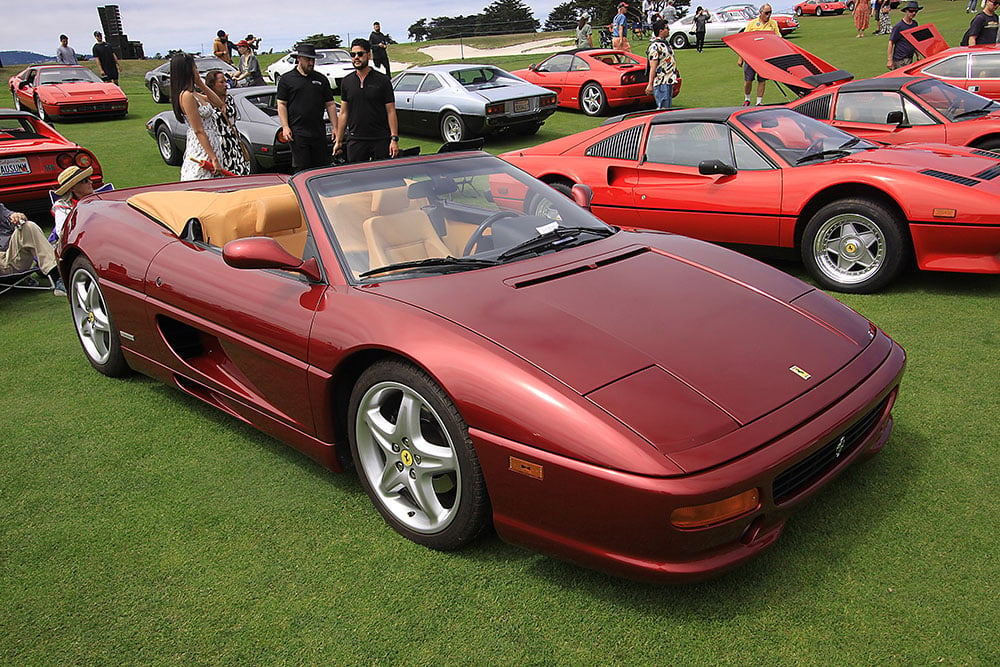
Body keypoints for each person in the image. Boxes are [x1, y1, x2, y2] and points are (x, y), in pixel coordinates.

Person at [334, 38, 399, 163]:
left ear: (368, 55)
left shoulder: (382, 80)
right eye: (353, 55)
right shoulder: (347, 82)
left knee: (383, 178)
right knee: (357, 180)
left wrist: (394, 139)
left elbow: (391, 111)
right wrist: (339, 140)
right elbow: (343, 113)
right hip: (356, 139)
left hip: (380, 138)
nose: (356, 57)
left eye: (360, 54)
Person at [277, 43, 338, 171]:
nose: (311, 63)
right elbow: (282, 104)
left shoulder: (321, 79)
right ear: (299, 58)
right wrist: (285, 126)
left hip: (318, 132)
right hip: (297, 132)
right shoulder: (287, 79)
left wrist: (335, 127)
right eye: (308, 59)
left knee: (321, 167)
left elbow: (330, 104)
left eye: (313, 59)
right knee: (302, 167)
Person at [170, 53, 225, 180]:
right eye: (194, 67)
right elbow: (198, 130)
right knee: (201, 178)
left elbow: (218, 102)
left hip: (212, 141)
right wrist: (213, 157)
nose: (197, 70)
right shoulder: (186, 96)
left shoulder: (195, 94)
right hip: (202, 147)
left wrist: (201, 83)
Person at [1, 203, 65, 296]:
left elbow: (9, 217)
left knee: (28, 226)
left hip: (10, 257)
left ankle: (58, 278)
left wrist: (17, 217)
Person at [204, 70, 252, 175]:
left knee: (240, 172)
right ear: (212, 85)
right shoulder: (206, 102)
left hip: (233, 141)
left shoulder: (229, 99)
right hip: (218, 143)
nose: (226, 85)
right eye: (221, 82)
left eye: (226, 82)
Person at [50, 165, 113, 244]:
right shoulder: (63, 207)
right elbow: (63, 233)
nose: (91, 182)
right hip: (81, 243)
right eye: (85, 181)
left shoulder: (98, 198)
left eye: (89, 178)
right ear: (73, 188)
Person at [738, 5, 781, 106]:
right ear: (761, 12)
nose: (769, 15)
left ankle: (759, 102)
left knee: (762, 80)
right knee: (748, 80)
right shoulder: (752, 24)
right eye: (766, 13)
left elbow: (778, 39)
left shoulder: (773, 23)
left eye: (770, 12)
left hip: (765, 57)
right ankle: (747, 99)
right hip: (751, 56)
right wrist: (741, 58)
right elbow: (743, 41)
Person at [645, 19, 678, 109]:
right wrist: (650, 84)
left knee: (667, 107)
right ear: (661, 31)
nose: (669, 30)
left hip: (668, 80)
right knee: (663, 108)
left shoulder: (665, 44)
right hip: (661, 82)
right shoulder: (655, 47)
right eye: (667, 28)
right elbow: (653, 67)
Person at [888, 2, 921, 70]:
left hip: (910, 58)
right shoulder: (898, 26)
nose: (914, 13)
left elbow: (914, 41)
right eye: (911, 11)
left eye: (915, 11)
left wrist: (918, 55)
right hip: (900, 59)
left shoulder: (915, 24)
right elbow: (891, 42)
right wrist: (890, 60)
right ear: (906, 11)